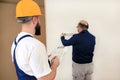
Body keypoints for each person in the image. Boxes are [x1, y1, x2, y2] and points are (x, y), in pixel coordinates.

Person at [11, 0, 60, 80]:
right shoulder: (36, 46)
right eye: (38, 19)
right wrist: (55, 65)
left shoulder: (16, 42)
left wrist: (42, 58)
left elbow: (26, 65)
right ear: (34, 20)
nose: (39, 22)